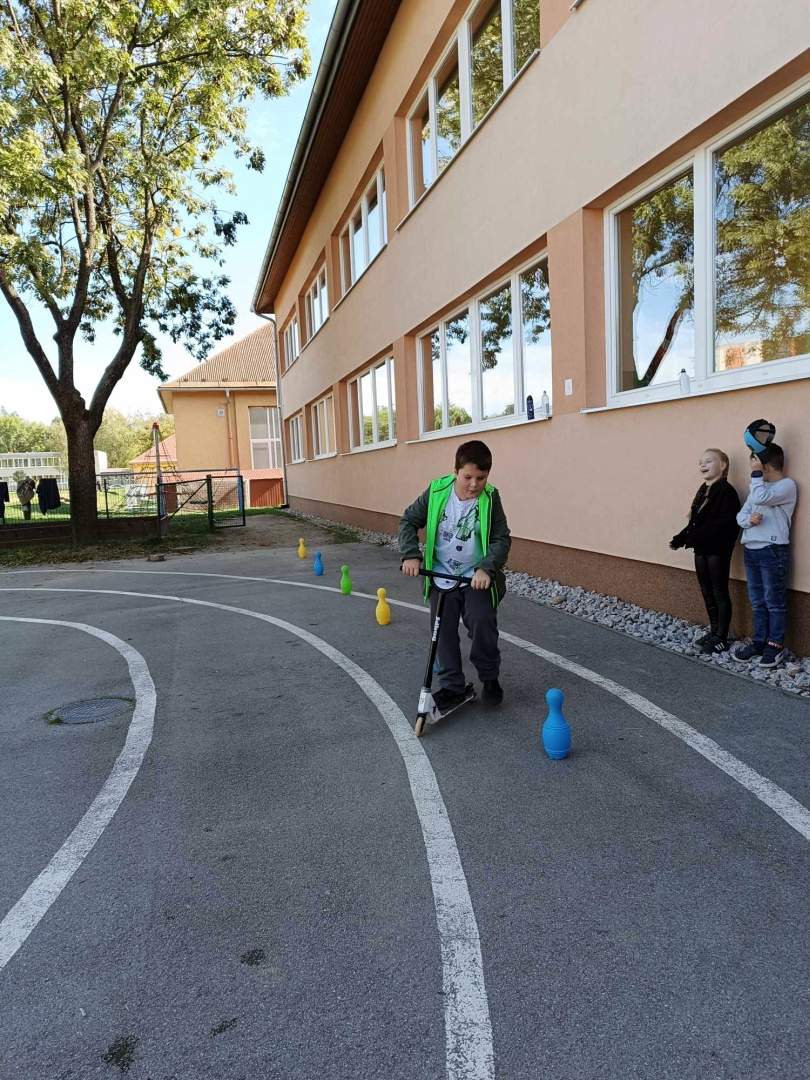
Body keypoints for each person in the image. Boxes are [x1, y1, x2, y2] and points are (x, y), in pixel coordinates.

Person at [399, 440, 511, 709]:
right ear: (455, 471)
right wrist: (411, 554)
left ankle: (489, 677)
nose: (474, 484)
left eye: (481, 478)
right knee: (442, 630)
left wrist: (486, 568)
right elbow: (409, 520)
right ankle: (452, 685)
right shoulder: (437, 491)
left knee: (482, 622)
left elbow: (501, 538)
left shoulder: (490, 498)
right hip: (441, 573)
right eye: (468, 477)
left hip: (474, 577)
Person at [732, 443, 797, 668]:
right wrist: (748, 521)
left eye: (755, 466)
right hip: (751, 549)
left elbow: (761, 497)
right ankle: (759, 641)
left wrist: (756, 474)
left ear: (765, 467)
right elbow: (741, 515)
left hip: (772, 550)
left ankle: (774, 645)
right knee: (757, 601)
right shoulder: (759, 489)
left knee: (773, 601)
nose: (753, 470)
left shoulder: (786, 486)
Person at [670, 449, 740, 654]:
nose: (703, 465)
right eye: (700, 462)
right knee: (707, 591)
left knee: (719, 592)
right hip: (701, 549)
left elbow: (725, 524)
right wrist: (681, 538)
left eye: (709, 461)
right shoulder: (703, 490)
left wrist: (693, 537)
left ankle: (721, 637)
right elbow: (696, 521)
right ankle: (714, 630)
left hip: (717, 550)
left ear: (723, 466)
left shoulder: (725, 491)